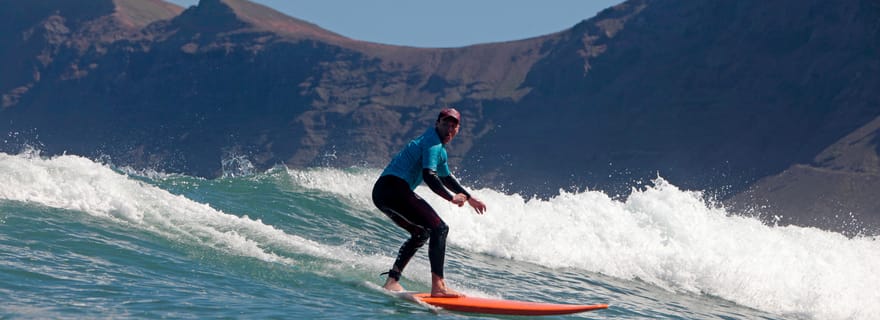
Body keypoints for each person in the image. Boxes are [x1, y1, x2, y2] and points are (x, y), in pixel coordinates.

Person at [372, 107, 487, 298]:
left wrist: (469, 197)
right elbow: (429, 175)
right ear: (437, 124)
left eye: (453, 126)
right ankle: (438, 286)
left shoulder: (438, 149)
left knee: (422, 232)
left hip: (382, 193)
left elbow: (445, 177)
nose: (449, 129)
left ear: (458, 129)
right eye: (445, 124)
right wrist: (451, 198)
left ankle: (392, 281)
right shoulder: (432, 142)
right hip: (394, 188)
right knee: (440, 229)